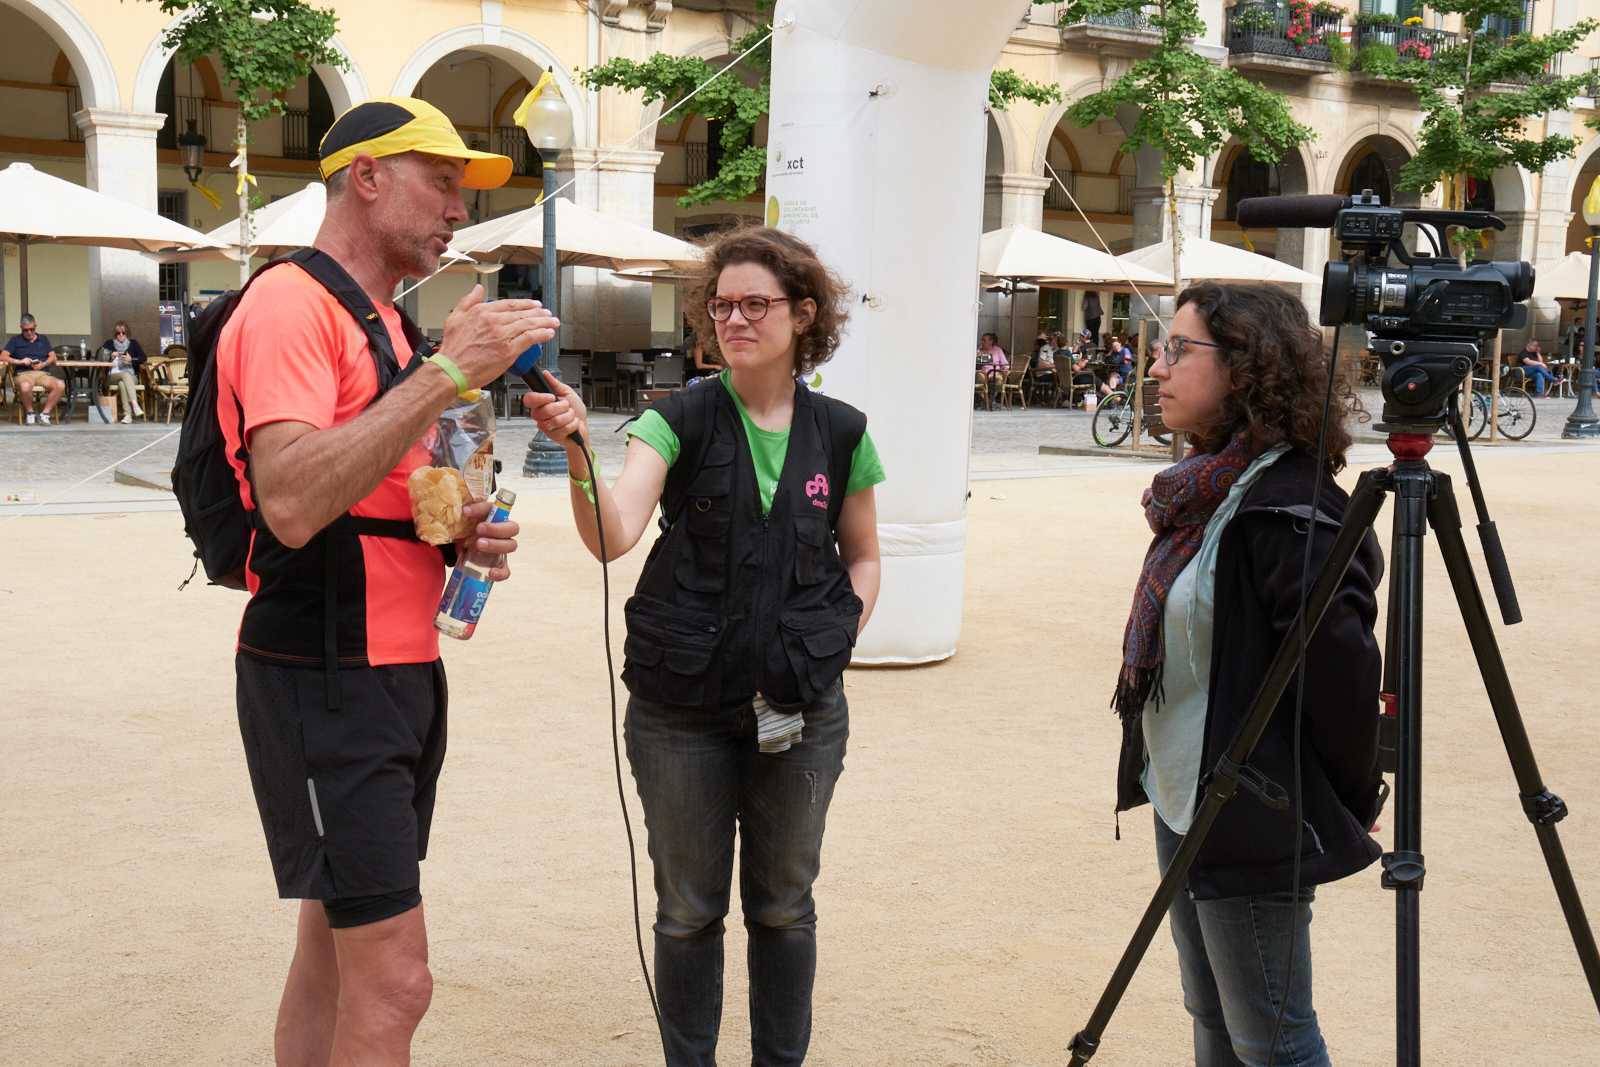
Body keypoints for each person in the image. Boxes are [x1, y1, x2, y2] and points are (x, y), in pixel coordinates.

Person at [214, 97, 557, 1064]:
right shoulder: (289, 305)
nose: (458, 209)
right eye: (441, 182)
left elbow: (397, 491)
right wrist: (448, 373)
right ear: (367, 177)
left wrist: (461, 540)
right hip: (327, 672)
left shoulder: (390, 331)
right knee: (398, 980)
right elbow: (289, 497)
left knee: (332, 950)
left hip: (393, 671)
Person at [525, 225, 885, 1066]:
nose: (734, 319)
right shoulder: (672, 418)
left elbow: (864, 555)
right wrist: (579, 452)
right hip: (678, 710)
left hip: (798, 707)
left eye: (756, 303)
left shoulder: (841, 431)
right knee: (688, 909)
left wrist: (833, 638)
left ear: (803, 314)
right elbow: (615, 534)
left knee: (785, 905)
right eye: (721, 305)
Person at [1113, 282, 1385, 1066]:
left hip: (1249, 803)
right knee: (1213, 1015)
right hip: (1183, 789)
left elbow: (1343, 675)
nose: (1155, 368)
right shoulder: (1205, 493)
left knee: (1274, 1039)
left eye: (1177, 349)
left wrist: (1344, 792)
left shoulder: (1285, 508)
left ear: (1243, 367)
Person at [2, 314, 64, 425]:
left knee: (60, 385)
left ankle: (45, 414)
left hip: (42, 373)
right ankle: (30, 413)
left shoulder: (43, 339)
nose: (29, 332)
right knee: (25, 386)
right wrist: (20, 361)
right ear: (21, 327)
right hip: (23, 373)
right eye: (26, 330)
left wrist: (43, 364)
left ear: (35, 326)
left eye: (32, 329)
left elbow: (53, 356)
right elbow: (3, 356)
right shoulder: (15, 340)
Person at [99, 320, 147, 423]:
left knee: (122, 383)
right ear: (115, 334)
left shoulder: (133, 344)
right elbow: (100, 356)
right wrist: (110, 355)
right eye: (118, 333)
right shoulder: (109, 343)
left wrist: (132, 360)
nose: (120, 335)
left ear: (127, 333)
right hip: (113, 376)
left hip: (131, 376)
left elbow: (143, 358)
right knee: (125, 375)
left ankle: (127, 415)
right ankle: (135, 404)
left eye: (123, 333)